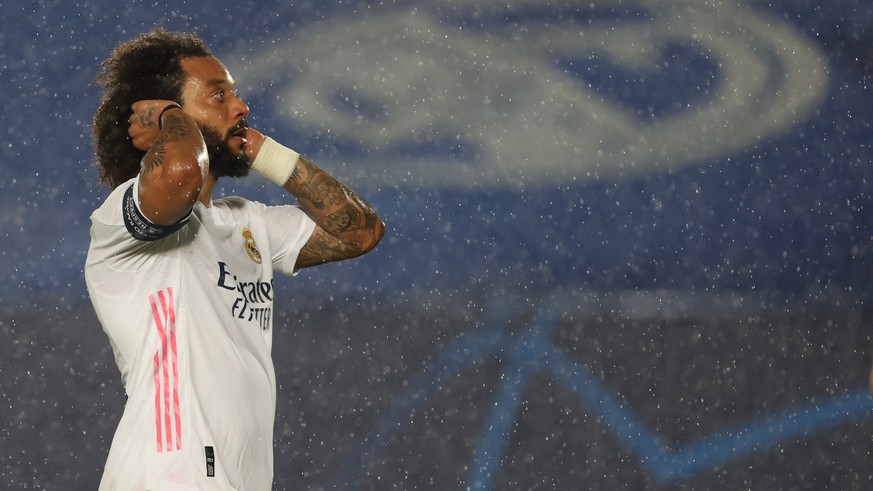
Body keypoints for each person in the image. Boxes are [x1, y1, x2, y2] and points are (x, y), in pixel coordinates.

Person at [85, 28, 385, 490]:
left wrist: (265, 153)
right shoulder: (122, 221)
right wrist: (167, 114)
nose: (240, 107)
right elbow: (183, 171)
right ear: (167, 120)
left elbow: (361, 232)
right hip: (167, 475)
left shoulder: (249, 224)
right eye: (218, 95)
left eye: (235, 94)